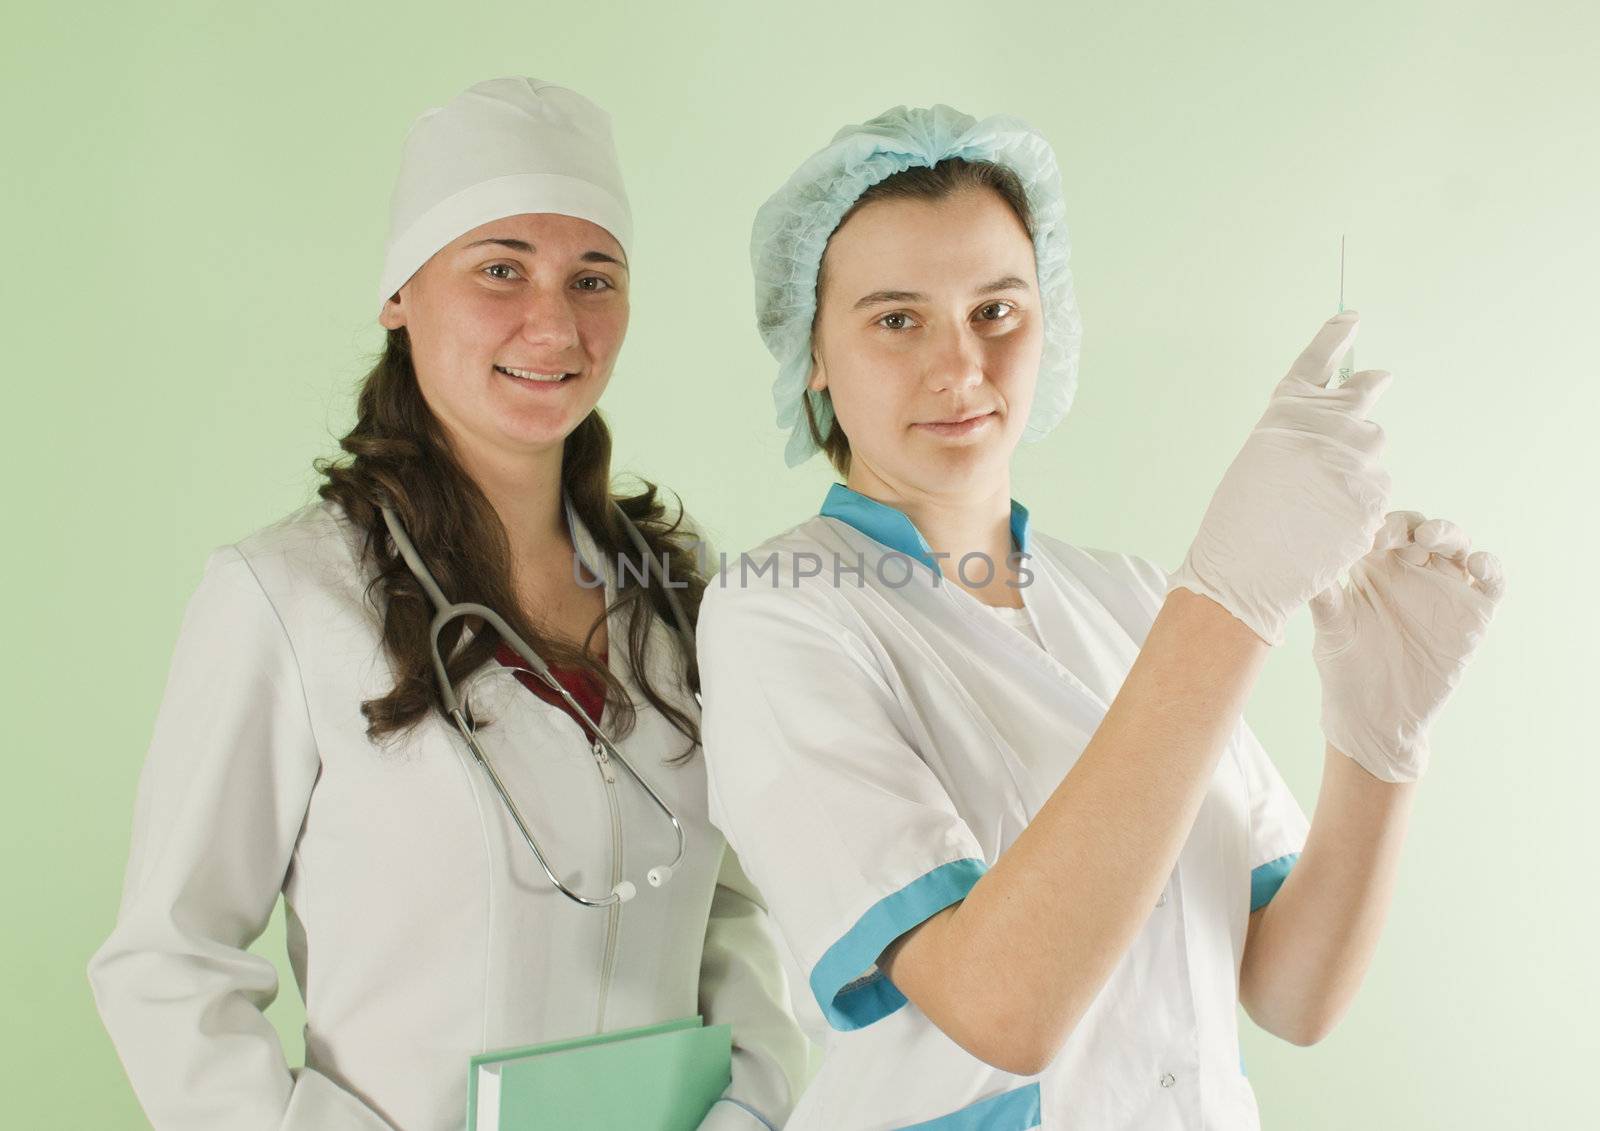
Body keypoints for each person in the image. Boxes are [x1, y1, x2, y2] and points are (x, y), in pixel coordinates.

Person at [695, 104, 1505, 1129]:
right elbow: (1002, 1007)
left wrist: (1375, 746)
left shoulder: (1126, 599)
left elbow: (1292, 997)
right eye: (895, 319)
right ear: (811, 350)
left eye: (997, 311)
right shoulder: (782, 614)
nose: (960, 368)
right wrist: (1226, 603)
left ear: (1051, 317)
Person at [88, 77, 808, 1131]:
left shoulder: (674, 590)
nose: (553, 322)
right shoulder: (288, 597)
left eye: (593, 277)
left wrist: (746, 1107)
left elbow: (734, 909)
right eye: (500, 269)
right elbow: (166, 962)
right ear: (398, 294)